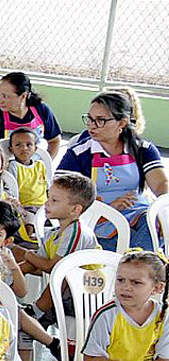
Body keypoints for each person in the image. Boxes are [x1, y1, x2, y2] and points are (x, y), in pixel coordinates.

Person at [56, 89, 167, 250]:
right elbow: (60, 196)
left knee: (153, 223)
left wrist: (162, 211)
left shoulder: (143, 149)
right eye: (90, 119)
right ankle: (134, 265)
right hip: (95, 221)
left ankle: (128, 265)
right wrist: (108, 208)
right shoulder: (79, 154)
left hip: (138, 215)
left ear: (121, 123)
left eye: (100, 120)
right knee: (139, 247)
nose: (92, 126)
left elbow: (161, 185)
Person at [0, 71, 62, 158]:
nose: (0, 100)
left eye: (5, 96)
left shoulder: (42, 110)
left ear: (23, 96)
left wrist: (45, 165)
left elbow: (54, 141)